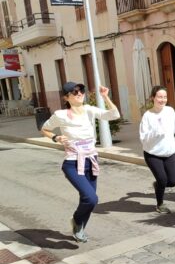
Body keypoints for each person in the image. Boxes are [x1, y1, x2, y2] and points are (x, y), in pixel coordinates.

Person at [40, 82, 120, 242]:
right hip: (72, 163)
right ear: (66, 97)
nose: (79, 94)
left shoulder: (89, 110)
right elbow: (44, 128)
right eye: (75, 92)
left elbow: (114, 115)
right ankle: (77, 220)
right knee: (91, 198)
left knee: (87, 200)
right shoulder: (60, 115)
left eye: (81, 91)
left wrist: (105, 97)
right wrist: (56, 137)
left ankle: (79, 228)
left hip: (91, 160)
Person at [140, 86, 175, 214]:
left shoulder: (170, 111)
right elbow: (143, 138)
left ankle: (158, 185)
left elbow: (174, 125)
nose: (162, 99)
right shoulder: (147, 116)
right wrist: (155, 133)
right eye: (159, 97)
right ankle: (160, 203)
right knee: (162, 180)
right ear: (153, 98)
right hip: (153, 154)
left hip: (169, 152)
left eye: (164, 97)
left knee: (172, 181)